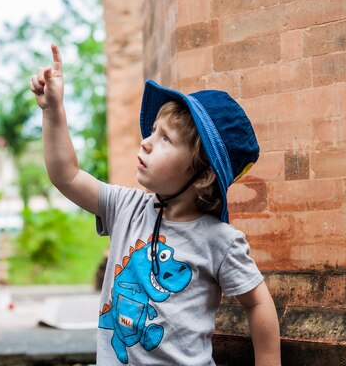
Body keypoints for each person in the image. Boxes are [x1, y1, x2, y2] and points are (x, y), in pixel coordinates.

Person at [30, 44, 281, 365]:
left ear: (203, 175)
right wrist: (53, 111)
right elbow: (66, 175)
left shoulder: (221, 240)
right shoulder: (125, 207)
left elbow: (258, 303)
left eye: (166, 139)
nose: (146, 143)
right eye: (152, 131)